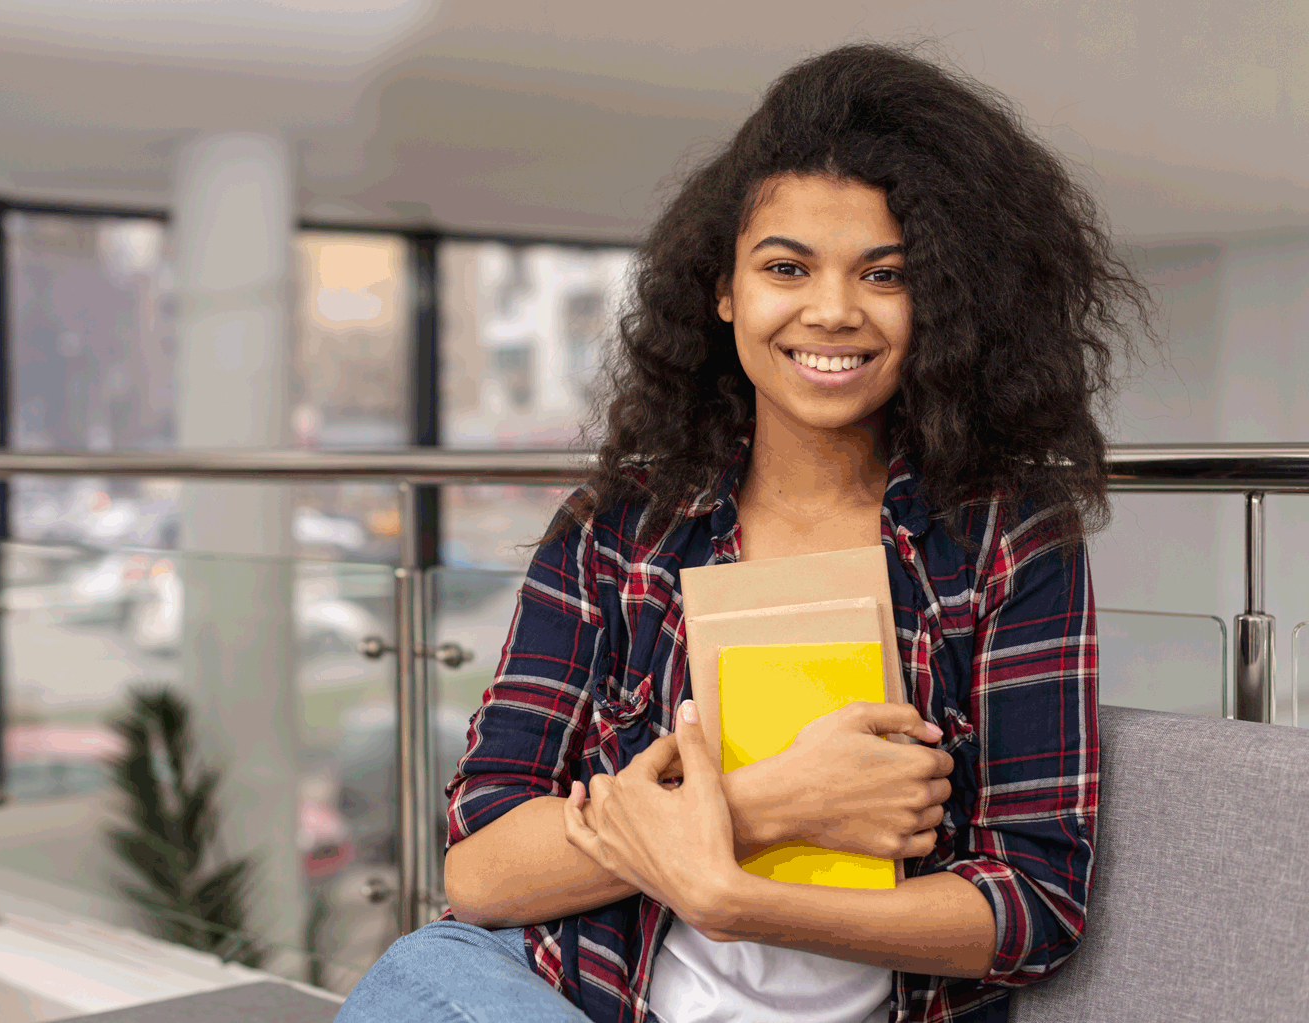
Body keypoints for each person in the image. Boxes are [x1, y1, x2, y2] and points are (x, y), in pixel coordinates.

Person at [335, 41, 1154, 1023]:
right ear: (723, 291)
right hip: (587, 1004)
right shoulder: (618, 531)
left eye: (885, 274)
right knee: (432, 967)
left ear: (948, 302)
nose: (832, 310)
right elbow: (484, 873)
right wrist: (771, 800)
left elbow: (1035, 905)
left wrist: (733, 896)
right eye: (785, 266)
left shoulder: (1005, 542)